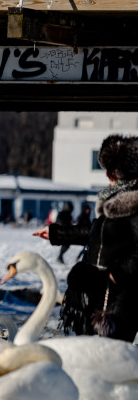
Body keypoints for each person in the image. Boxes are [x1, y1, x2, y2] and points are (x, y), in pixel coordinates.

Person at [34, 134, 138, 343]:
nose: (107, 176)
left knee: (111, 351)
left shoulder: (133, 205)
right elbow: (95, 234)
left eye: (110, 171)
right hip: (96, 290)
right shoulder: (113, 202)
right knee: (91, 348)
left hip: (118, 295)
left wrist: (119, 273)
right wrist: (57, 233)